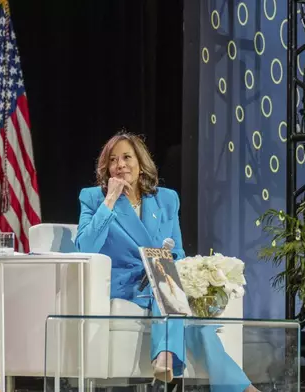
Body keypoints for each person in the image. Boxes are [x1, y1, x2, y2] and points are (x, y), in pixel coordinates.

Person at [75, 131, 257, 392]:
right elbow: (85, 247)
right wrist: (110, 200)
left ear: (141, 164)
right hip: (125, 285)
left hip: (162, 281)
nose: (120, 164)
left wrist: (172, 263)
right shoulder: (93, 198)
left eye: (127, 157)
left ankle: (174, 360)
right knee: (166, 282)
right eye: (113, 160)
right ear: (106, 167)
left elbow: (179, 252)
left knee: (197, 321)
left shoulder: (166, 199)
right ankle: (174, 358)